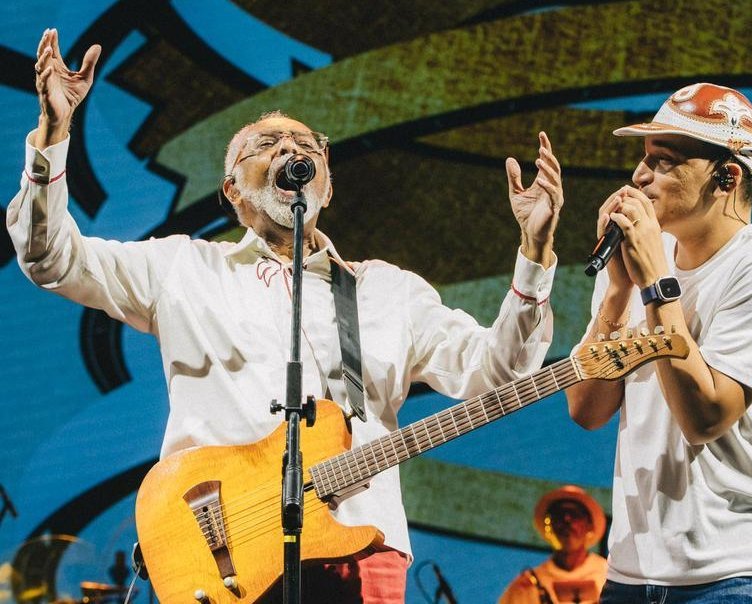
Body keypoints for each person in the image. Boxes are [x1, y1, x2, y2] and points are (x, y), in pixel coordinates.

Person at [8, 29, 564, 603]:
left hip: (361, 551)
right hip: (221, 554)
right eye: (268, 143)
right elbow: (51, 257)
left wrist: (536, 254)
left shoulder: (387, 291)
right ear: (232, 191)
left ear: (327, 183)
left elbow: (500, 373)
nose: (291, 151)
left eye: (308, 146)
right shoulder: (182, 267)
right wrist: (53, 134)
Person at [565, 82, 752, 602]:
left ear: (726, 177)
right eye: (644, 158)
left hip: (740, 571)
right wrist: (617, 292)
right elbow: (587, 409)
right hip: (632, 574)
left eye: (664, 161)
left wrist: (658, 286)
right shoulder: (637, 263)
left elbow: (704, 418)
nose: (640, 176)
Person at [499, 486, 608, 604]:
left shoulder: (609, 577)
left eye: (575, 514)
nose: (567, 520)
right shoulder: (526, 588)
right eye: (559, 515)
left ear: (589, 525)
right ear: (549, 525)